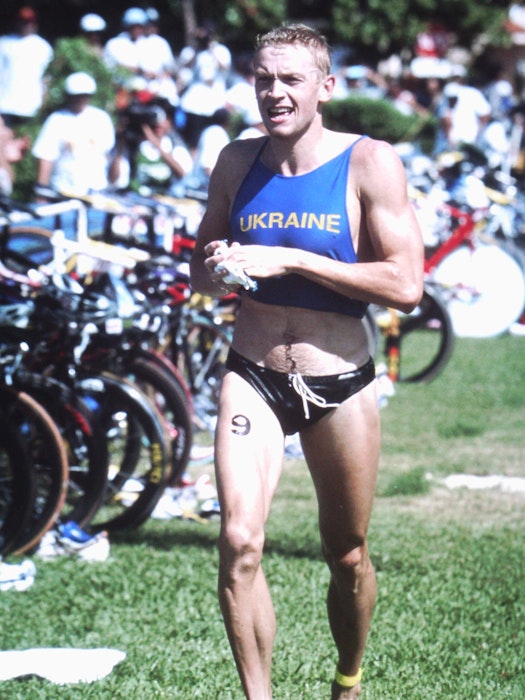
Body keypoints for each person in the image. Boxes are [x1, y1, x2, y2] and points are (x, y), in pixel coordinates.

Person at [189, 23, 423, 700]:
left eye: (291, 79)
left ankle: (347, 680)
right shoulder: (236, 161)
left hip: (338, 380)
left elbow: (406, 285)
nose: (275, 92)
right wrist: (219, 266)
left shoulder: (369, 162)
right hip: (252, 374)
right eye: (263, 78)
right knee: (239, 541)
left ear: (325, 87)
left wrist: (292, 259)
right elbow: (200, 275)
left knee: (346, 554)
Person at [32, 72, 115, 196]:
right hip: (64, 189)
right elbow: (46, 156)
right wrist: (42, 189)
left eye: (84, 95)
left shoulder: (101, 118)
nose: (80, 99)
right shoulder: (57, 119)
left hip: (95, 190)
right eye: (77, 95)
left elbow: (108, 154)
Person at [109, 96, 193, 194]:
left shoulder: (173, 144)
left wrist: (156, 144)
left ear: (169, 122)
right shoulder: (134, 145)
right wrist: (121, 145)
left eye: (163, 120)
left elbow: (182, 173)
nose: (158, 124)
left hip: (164, 196)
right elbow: (113, 180)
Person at [0, 7, 53, 126]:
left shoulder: (43, 47)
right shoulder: (4, 43)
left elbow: (47, 78)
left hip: (30, 106)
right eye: (23, 21)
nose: (26, 25)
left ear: (35, 24)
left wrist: (44, 102)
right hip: (5, 105)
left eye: (29, 22)